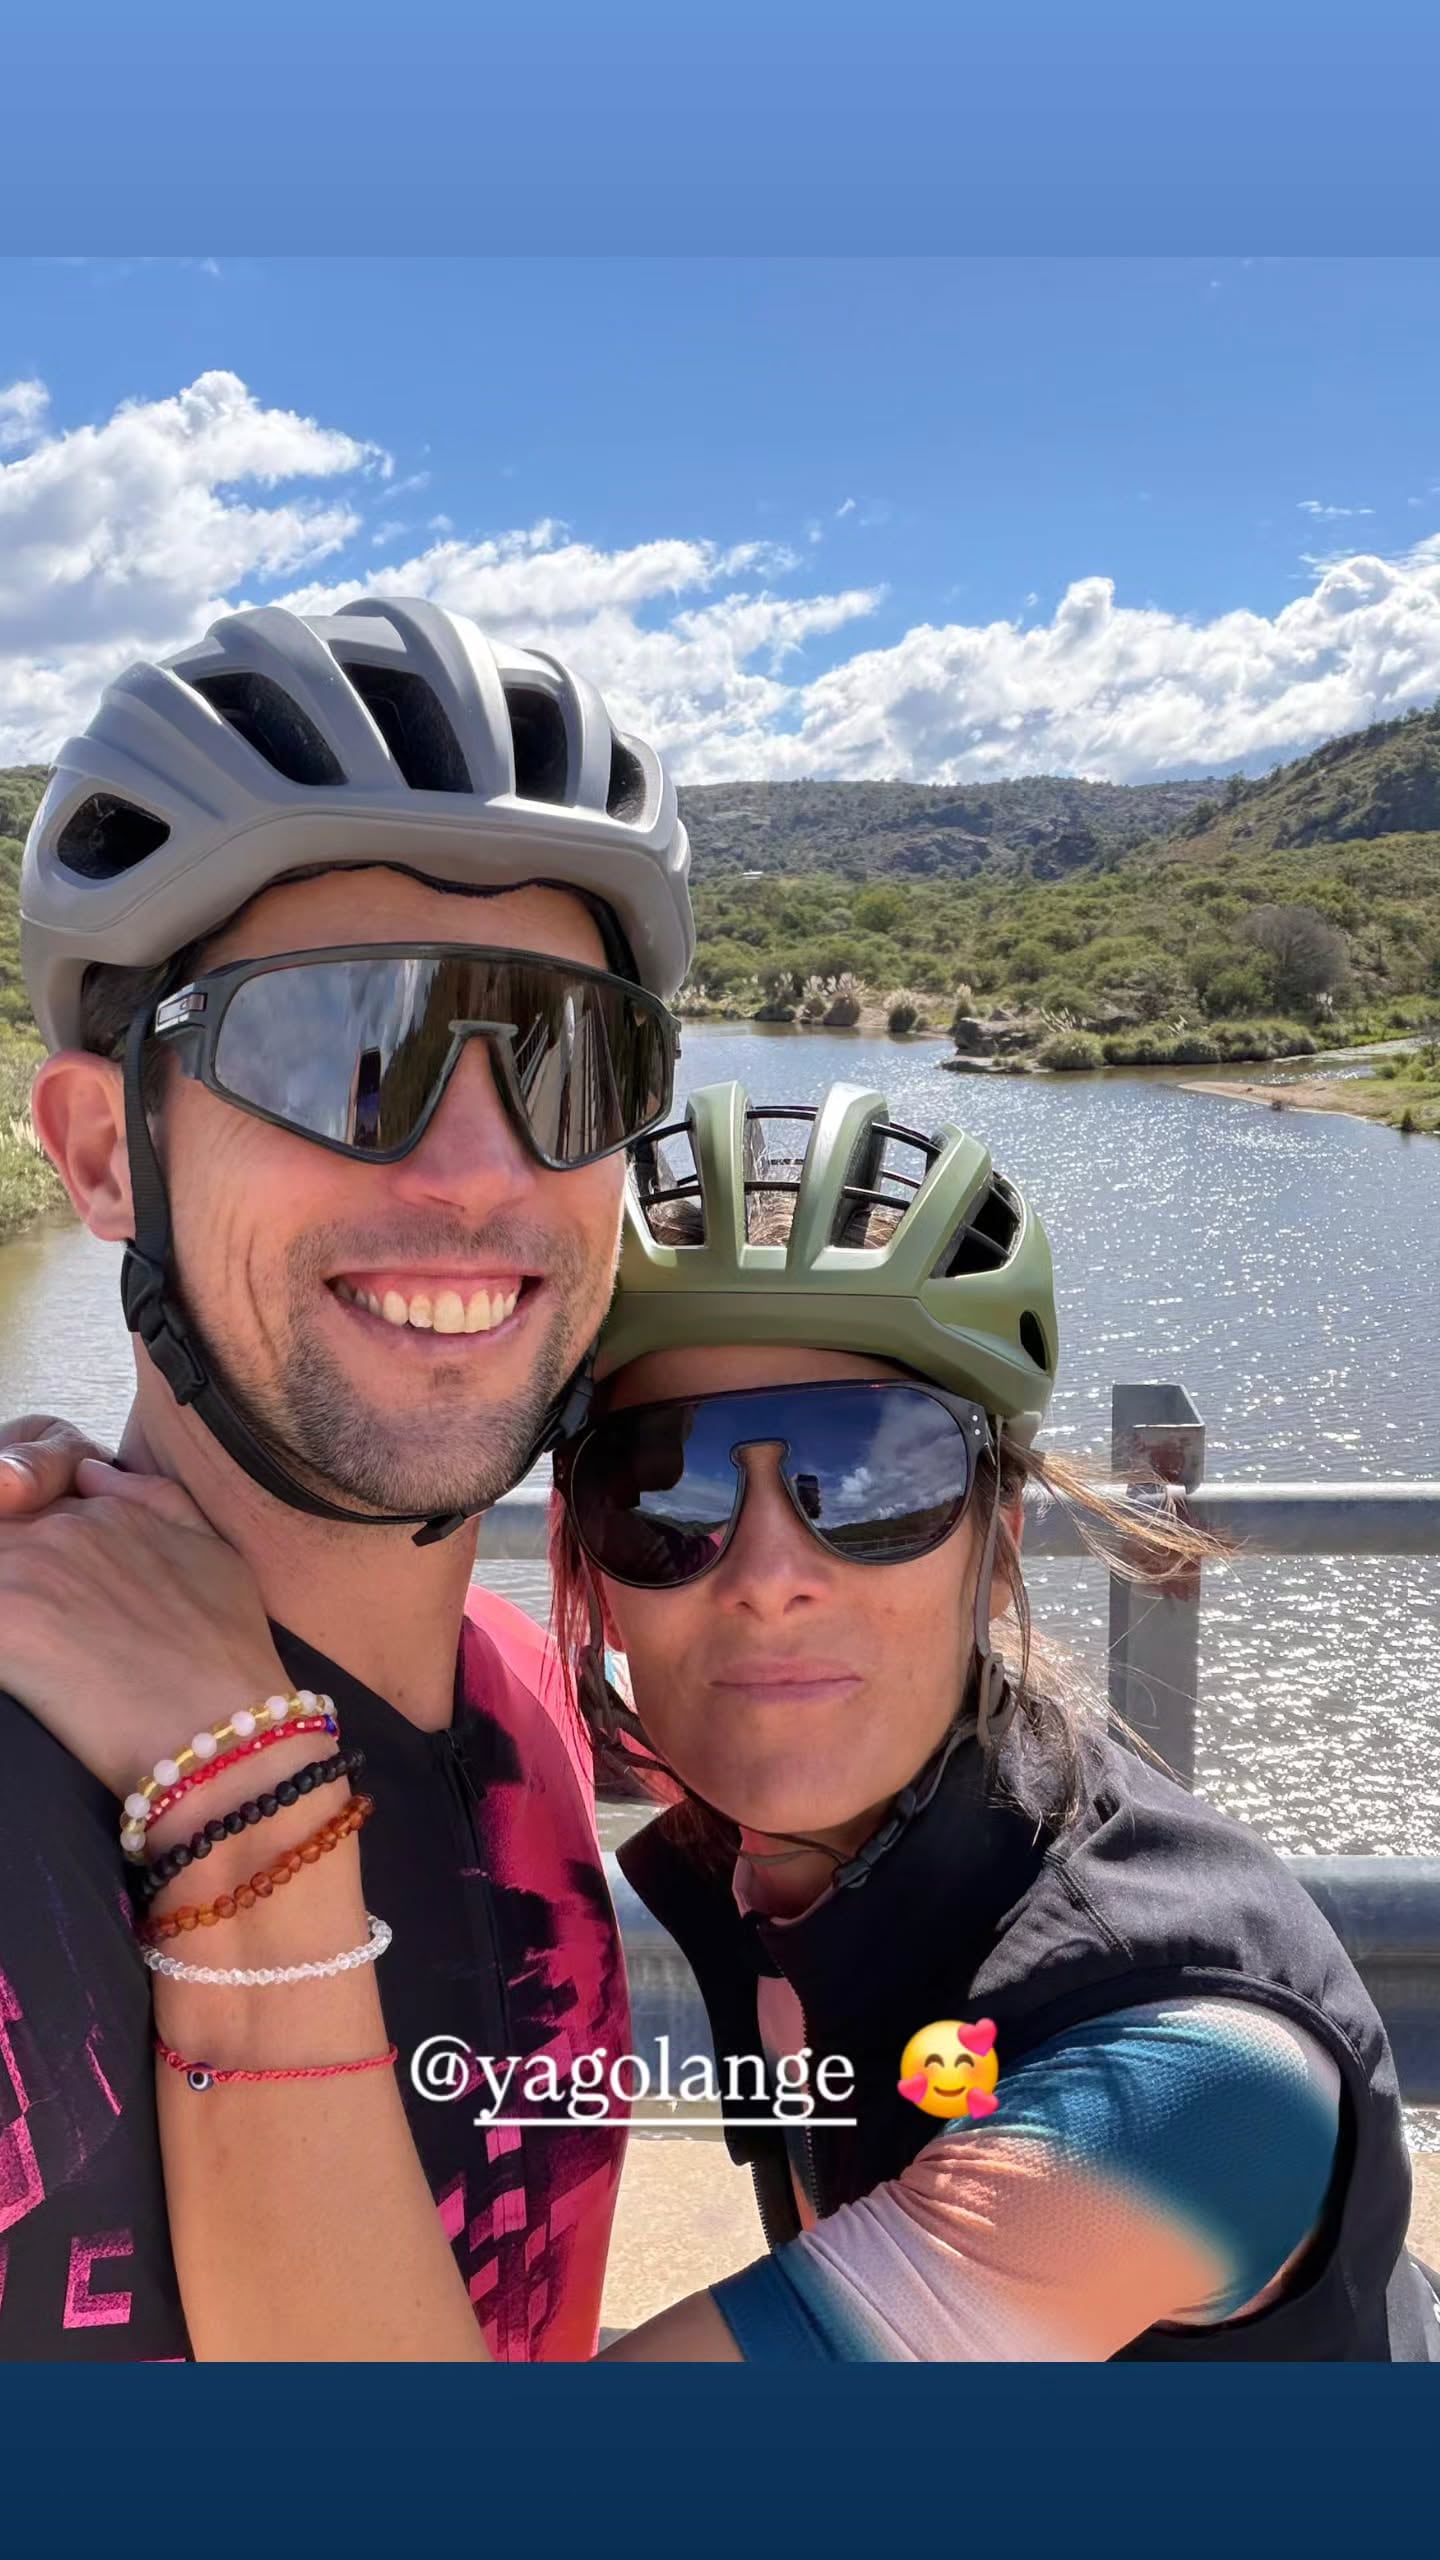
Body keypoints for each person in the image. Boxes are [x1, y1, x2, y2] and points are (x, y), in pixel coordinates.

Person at [4, 1081, 1436, 2359]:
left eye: (873, 1481)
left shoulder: (1181, 2081)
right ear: (589, 1560)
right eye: (666, 1489)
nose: (766, 1581)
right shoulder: (822, 1865)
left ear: (998, 1540)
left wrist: (234, 1778)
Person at [0, 595, 694, 2361]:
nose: (478, 1172)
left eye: (566, 1057)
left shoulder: (531, 1701)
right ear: (103, 1154)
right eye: (337, 1049)